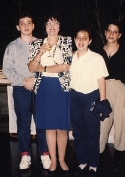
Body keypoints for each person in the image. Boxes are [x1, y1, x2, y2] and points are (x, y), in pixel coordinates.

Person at [2, 12, 51, 170]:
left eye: (29, 22)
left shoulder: (43, 44)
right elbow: (8, 70)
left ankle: (45, 154)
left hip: (40, 88)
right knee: (23, 124)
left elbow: (49, 67)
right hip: (20, 89)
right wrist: (23, 82)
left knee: (42, 123)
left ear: (34, 25)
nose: (26, 25)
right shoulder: (12, 46)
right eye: (22, 23)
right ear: (18, 27)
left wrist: (34, 79)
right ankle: (25, 155)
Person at [28, 12, 72, 176]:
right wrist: (39, 53)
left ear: (59, 27)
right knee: (49, 127)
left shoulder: (66, 41)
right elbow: (32, 68)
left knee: (62, 128)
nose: (52, 27)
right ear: (45, 27)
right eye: (49, 24)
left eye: (55, 24)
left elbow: (65, 67)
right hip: (44, 88)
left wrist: (44, 68)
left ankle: (62, 159)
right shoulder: (36, 44)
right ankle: (53, 159)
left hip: (61, 88)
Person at [70, 28, 109, 177]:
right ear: (74, 40)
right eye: (78, 38)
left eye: (85, 38)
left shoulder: (97, 58)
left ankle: (93, 165)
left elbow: (101, 80)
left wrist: (102, 101)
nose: (81, 41)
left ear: (90, 41)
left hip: (91, 97)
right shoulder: (70, 57)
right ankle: (82, 162)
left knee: (92, 132)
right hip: (74, 97)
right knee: (78, 131)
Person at [95, 20, 125, 172]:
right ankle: (100, 154)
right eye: (109, 30)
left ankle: (117, 157)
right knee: (102, 123)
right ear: (105, 32)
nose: (111, 34)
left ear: (119, 35)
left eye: (115, 32)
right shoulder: (97, 52)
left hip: (121, 89)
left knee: (122, 124)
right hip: (102, 89)